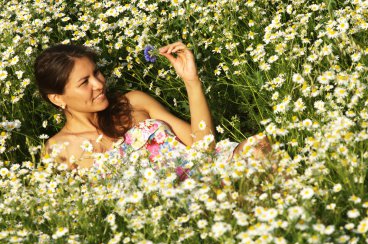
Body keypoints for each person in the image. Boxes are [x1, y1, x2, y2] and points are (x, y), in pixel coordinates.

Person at [35, 41, 271, 171]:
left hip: (205, 174)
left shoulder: (132, 102)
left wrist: (191, 81)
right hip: (164, 211)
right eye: (84, 82)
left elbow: (203, 147)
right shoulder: (59, 150)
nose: (99, 83)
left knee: (260, 145)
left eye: (96, 72)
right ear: (58, 98)